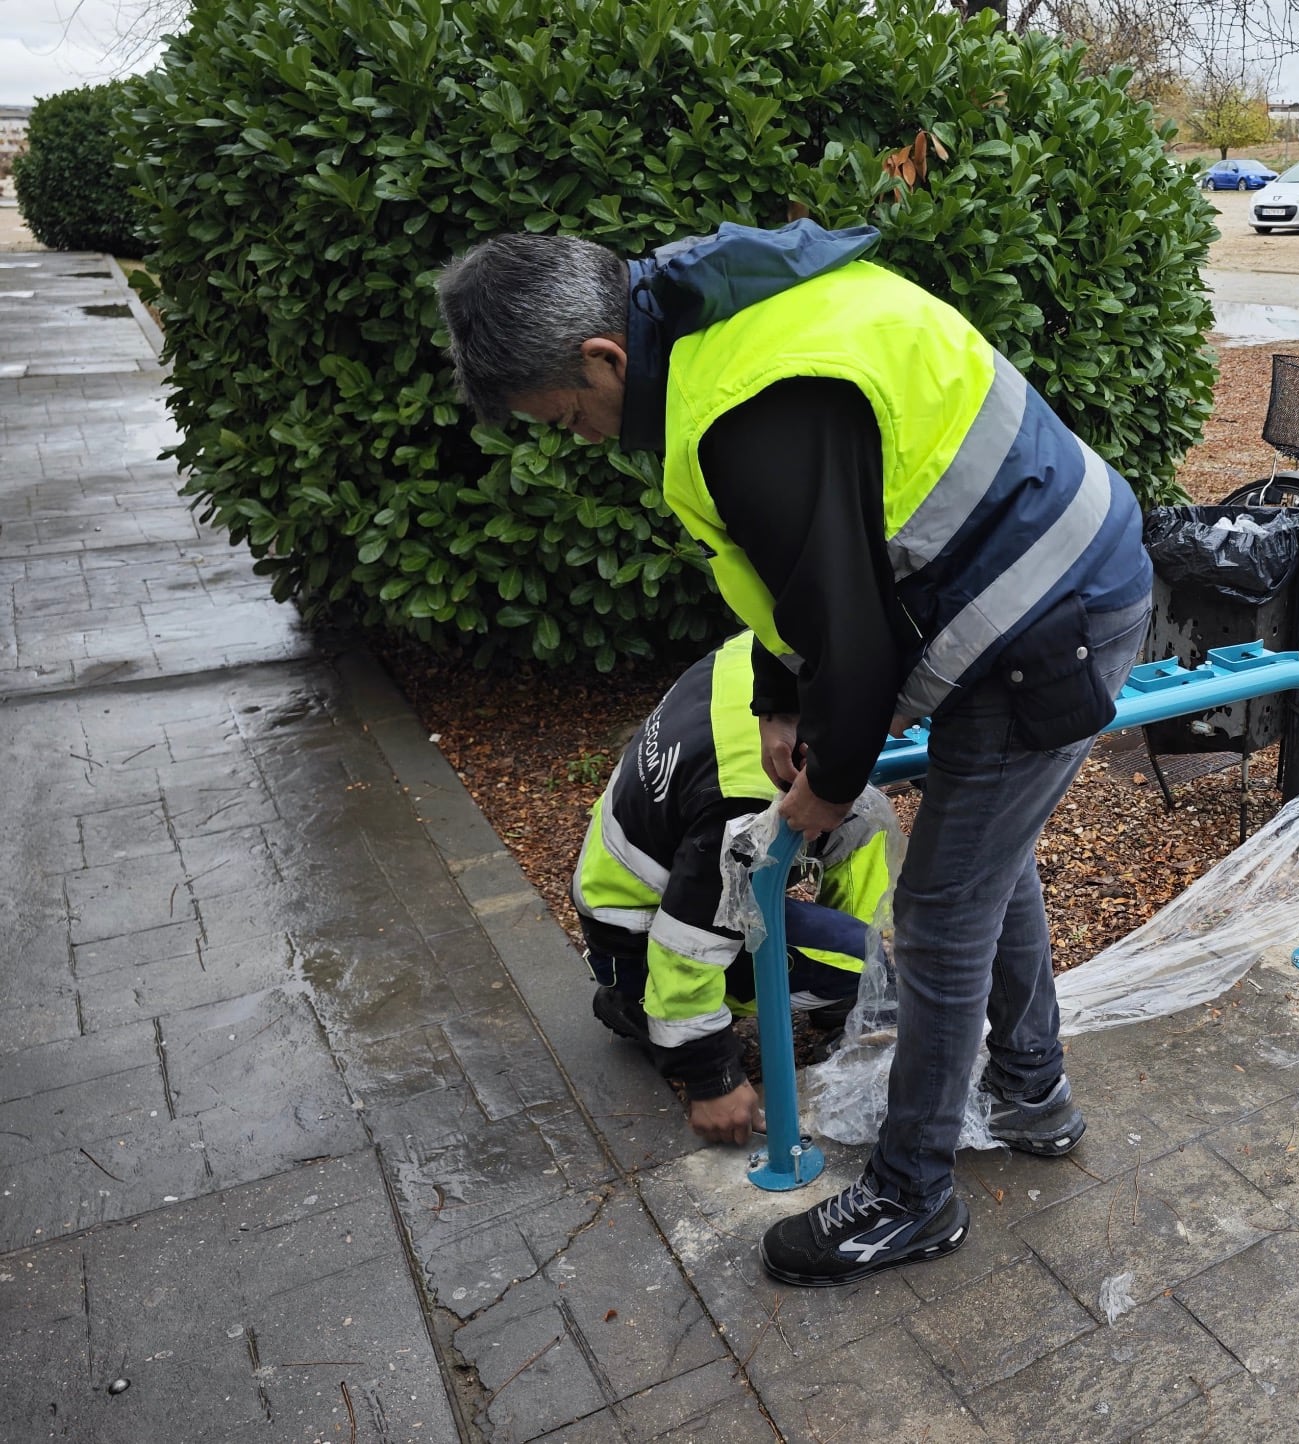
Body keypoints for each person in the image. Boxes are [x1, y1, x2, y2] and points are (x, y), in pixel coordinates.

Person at [437, 220, 1153, 1289]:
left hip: (1044, 616)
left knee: (944, 911)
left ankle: (914, 1197)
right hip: (1040, 587)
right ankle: (1035, 1095)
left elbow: (855, 639)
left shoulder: (743, 408)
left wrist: (818, 795)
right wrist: (779, 695)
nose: (580, 439)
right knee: (981, 874)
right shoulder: (702, 318)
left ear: (601, 358)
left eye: (568, 416)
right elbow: (805, 575)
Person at [570, 630, 892, 1145]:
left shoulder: (769, 652)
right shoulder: (746, 802)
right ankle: (638, 1001)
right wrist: (711, 1075)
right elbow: (689, 938)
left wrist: (869, 977)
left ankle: (839, 993)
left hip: (642, 882)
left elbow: (856, 837)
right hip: (646, 930)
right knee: (861, 958)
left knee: (868, 956)